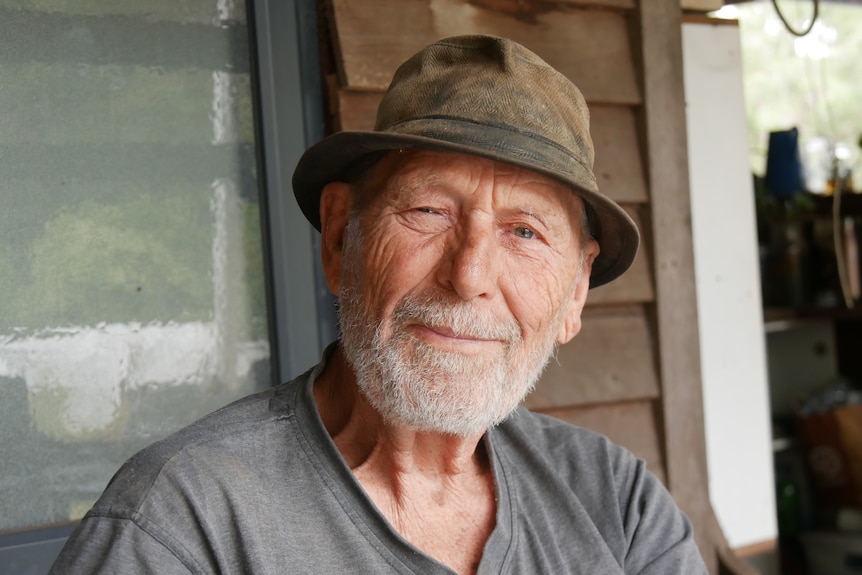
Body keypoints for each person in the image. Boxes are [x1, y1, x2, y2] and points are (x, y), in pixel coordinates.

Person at [50, 35, 707, 574]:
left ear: (575, 292)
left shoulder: (614, 502)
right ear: (340, 236)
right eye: (428, 210)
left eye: (525, 232)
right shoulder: (184, 524)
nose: (469, 274)